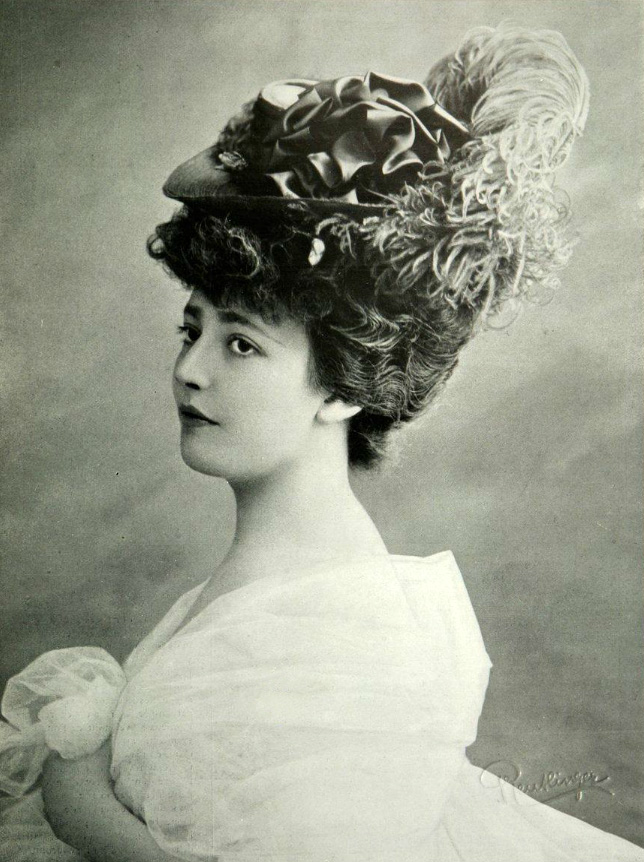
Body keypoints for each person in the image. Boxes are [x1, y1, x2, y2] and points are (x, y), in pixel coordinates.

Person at [0, 21, 642, 862]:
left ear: (343, 383)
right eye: (191, 329)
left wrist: (76, 786)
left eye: (241, 344)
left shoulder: (336, 645)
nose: (189, 371)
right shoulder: (274, 585)